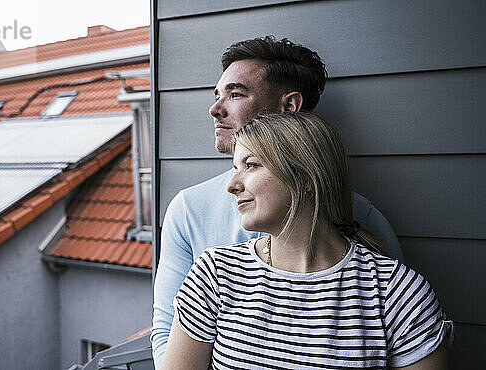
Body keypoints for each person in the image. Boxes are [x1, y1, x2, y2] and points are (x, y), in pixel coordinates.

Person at [151, 36, 404, 366]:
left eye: (236, 94)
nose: (215, 109)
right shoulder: (188, 211)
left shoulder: (365, 222)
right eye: (217, 96)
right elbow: (166, 331)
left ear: (289, 106)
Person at [161, 112, 453, 369]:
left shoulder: (398, 293)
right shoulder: (215, 275)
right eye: (236, 167)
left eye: (250, 165)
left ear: (305, 179)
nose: (232, 185)